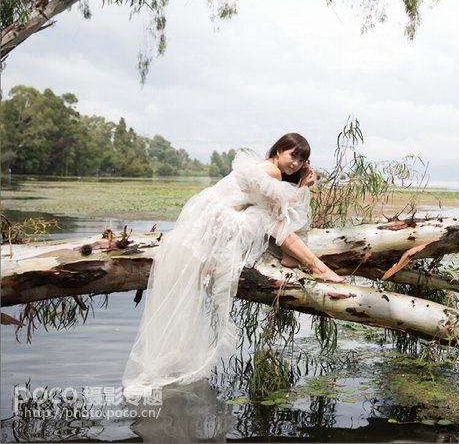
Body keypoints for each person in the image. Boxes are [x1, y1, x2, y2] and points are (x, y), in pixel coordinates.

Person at [122, 133, 345, 394]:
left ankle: (297, 259)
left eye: (302, 160)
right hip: (215, 221)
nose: (296, 164)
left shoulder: (265, 167)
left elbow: (279, 206)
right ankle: (318, 267)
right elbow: (280, 210)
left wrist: (298, 186)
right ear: (279, 150)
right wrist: (304, 186)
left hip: (208, 214)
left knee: (268, 217)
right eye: (292, 155)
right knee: (271, 219)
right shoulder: (271, 172)